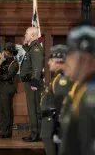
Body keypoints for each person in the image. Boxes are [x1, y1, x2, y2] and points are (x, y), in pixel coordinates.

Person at [59, 25, 95, 155]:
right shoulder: (82, 89)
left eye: (71, 54)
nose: (66, 61)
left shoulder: (91, 98)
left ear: (86, 58)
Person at [40, 44, 72, 155]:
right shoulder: (58, 77)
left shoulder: (62, 80)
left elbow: (62, 106)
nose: (49, 62)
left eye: (51, 60)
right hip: (49, 124)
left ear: (59, 60)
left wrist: (57, 131)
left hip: (52, 126)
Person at [20, 27, 44, 142]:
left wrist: (34, 82)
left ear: (33, 35)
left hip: (33, 82)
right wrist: (25, 45)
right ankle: (35, 133)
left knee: (34, 109)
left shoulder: (36, 49)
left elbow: (37, 67)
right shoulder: (32, 47)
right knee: (33, 108)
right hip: (30, 81)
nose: (25, 35)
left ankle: (36, 135)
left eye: (26, 33)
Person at [0, 42, 19, 138]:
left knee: (7, 111)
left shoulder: (14, 63)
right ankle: (3, 130)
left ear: (10, 52)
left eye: (5, 51)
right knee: (1, 111)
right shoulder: (2, 62)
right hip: (0, 89)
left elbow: (9, 75)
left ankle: (7, 132)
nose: (3, 53)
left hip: (7, 89)